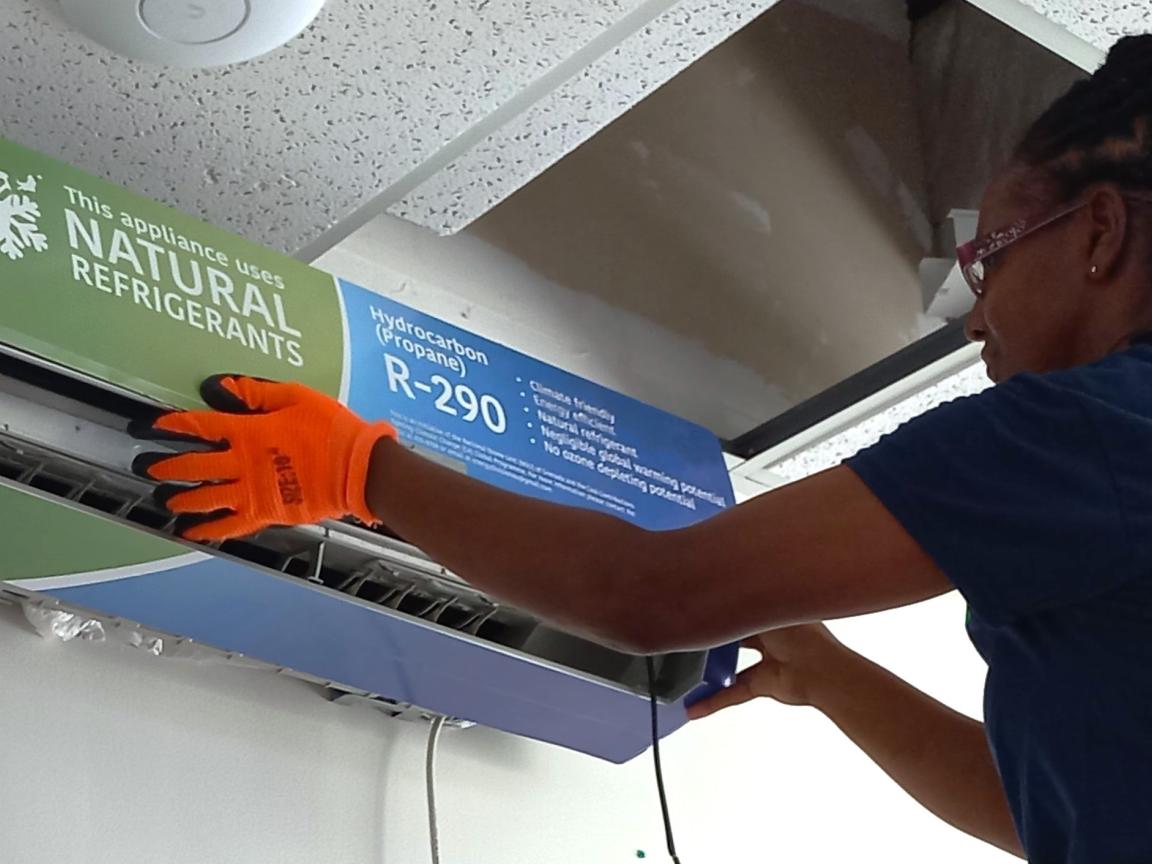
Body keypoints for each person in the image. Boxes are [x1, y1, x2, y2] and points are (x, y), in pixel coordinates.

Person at [132, 36, 1152, 863]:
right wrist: (828, 671)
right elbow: (1036, 817)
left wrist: (359, 471)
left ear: (1099, 231)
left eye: (989, 259)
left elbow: (645, 596)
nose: (976, 320)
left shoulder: (1095, 430)